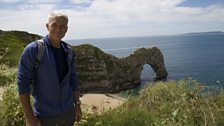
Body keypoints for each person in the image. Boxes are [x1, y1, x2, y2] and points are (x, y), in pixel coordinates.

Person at [17, 11, 82, 126]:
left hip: (68, 113)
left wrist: (77, 105)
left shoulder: (69, 51)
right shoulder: (34, 50)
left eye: (62, 26)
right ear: (47, 26)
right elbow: (23, 83)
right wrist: (29, 116)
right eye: (54, 25)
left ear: (66, 29)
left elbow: (73, 80)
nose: (58, 29)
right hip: (44, 116)